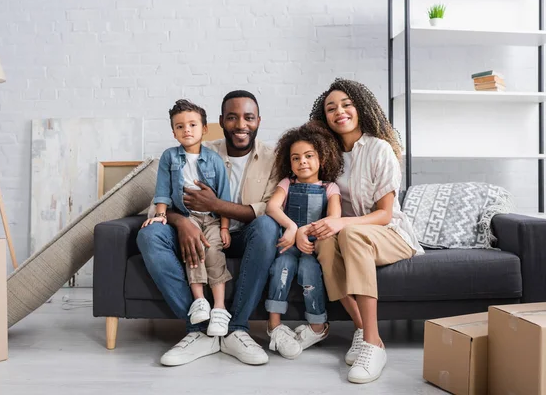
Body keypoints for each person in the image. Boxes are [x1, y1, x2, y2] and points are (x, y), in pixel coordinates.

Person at [137, 90, 280, 367]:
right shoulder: (200, 150)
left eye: (248, 118)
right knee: (149, 234)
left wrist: (218, 206)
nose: (241, 125)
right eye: (232, 117)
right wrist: (181, 223)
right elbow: (162, 197)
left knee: (267, 226)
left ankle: (236, 329)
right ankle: (199, 331)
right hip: (198, 226)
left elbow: (268, 208)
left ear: (258, 120)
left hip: (243, 233)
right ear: (219, 122)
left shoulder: (274, 157)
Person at [308, 78, 425, 384]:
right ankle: (362, 329)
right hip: (350, 235)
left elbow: (385, 215)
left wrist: (342, 224)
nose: (340, 112)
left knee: (349, 234)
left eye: (347, 105)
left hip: (390, 235)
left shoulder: (379, 149)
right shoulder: (327, 155)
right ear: (324, 118)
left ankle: (373, 344)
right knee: (324, 243)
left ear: (361, 109)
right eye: (331, 108)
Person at [141, 99, 233, 337]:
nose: (187, 130)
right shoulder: (170, 157)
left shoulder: (214, 160)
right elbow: (162, 190)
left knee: (213, 251)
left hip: (211, 219)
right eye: (180, 126)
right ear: (173, 132)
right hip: (186, 216)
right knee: (194, 252)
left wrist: (224, 226)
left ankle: (220, 309)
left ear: (204, 129)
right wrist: (160, 215)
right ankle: (200, 301)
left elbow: (224, 197)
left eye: (192, 124)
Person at [263, 122, 343, 359]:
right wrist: (292, 227)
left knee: (310, 272)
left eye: (309, 156)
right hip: (288, 244)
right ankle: (274, 325)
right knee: (281, 268)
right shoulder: (287, 184)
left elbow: (335, 217)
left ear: (322, 159)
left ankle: (318, 327)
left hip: (313, 247)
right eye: (296, 158)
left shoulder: (330, 188)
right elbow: (272, 206)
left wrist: (304, 231)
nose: (302, 162)